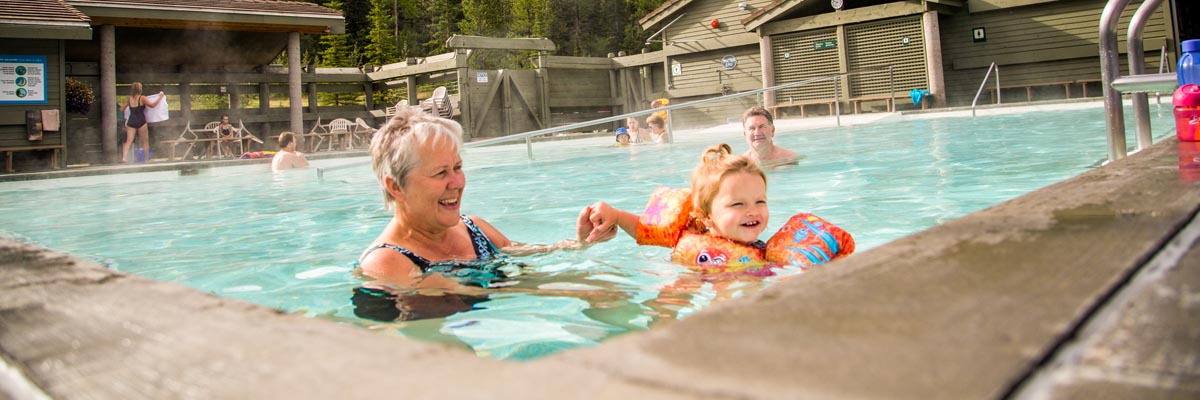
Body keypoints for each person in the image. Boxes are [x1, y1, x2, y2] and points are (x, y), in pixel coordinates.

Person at [357, 107, 609, 289]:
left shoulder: (474, 228)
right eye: (440, 173)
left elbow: (526, 253)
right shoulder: (387, 262)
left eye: (457, 167)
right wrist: (575, 287)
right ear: (396, 187)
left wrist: (580, 242)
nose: (457, 183)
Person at [580, 143, 853, 271]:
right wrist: (614, 215)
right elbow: (647, 229)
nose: (753, 211)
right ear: (706, 216)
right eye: (738, 204)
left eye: (760, 201)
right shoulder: (691, 243)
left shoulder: (766, 252)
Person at [121, 82, 164, 163]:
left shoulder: (129, 98)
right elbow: (152, 105)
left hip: (131, 121)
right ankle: (147, 159)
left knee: (129, 140)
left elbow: (122, 109)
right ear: (140, 89)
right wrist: (160, 97)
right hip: (141, 121)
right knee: (145, 141)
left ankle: (124, 158)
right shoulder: (142, 98)